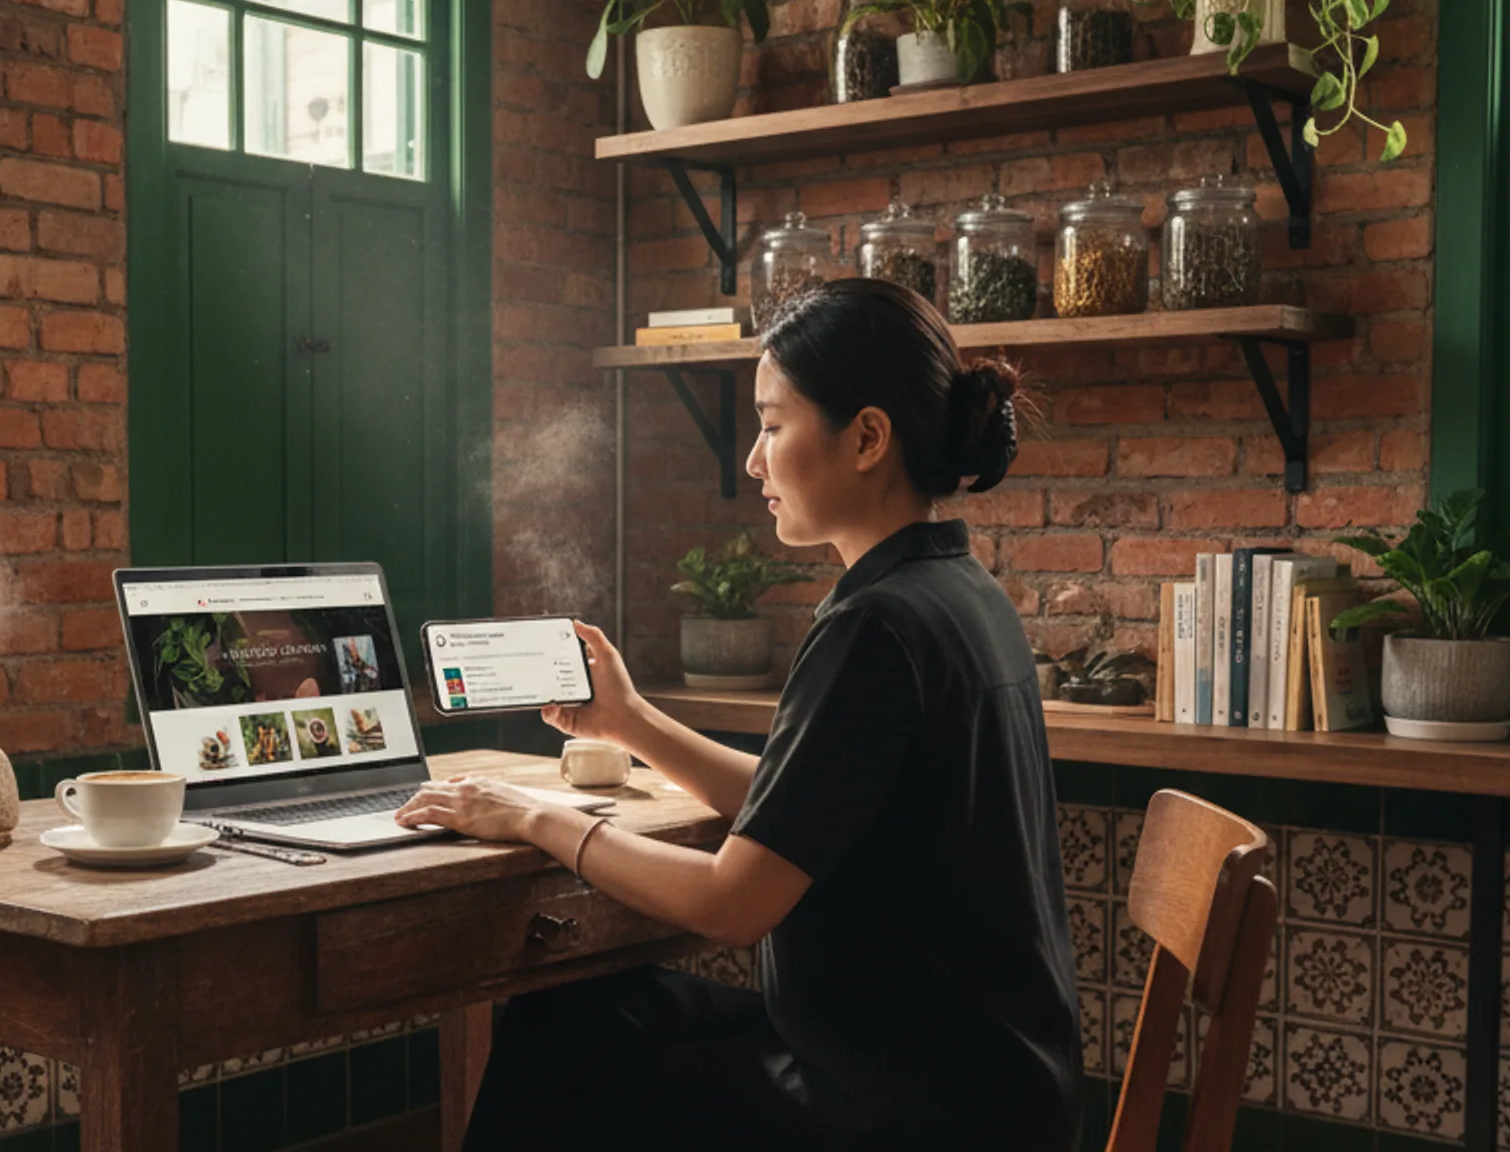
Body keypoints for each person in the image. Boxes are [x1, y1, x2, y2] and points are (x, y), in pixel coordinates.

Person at [395, 279, 1082, 1149]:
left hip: (911, 1108)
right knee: (569, 1016)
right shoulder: (958, 589)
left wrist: (535, 818)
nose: (754, 461)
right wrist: (631, 723)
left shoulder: (876, 625)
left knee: (564, 1057)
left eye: (772, 425)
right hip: (996, 1086)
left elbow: (732, 902)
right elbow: (804, 803)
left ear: (868, 438)